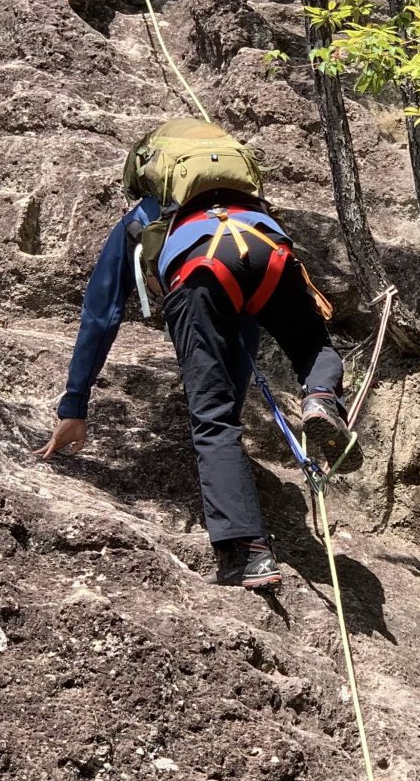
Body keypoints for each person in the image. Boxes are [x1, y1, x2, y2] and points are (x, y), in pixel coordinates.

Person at [38, 120, 357, 590]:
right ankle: (320, 398)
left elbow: (101, 316)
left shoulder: (144, 217)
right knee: (314, 349)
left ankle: (247, 553)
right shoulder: (251, 206)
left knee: (214, 419)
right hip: (269, 253)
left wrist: (75, 406)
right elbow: (243, 326)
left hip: (200, 271)